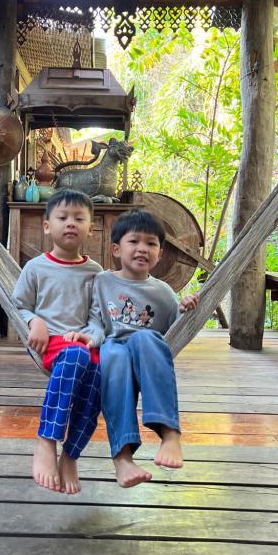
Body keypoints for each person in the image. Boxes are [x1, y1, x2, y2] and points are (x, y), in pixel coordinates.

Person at [90, 209, 199, 488]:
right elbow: (93, 320)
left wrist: (186, 308)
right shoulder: (101, 281)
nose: (142, 249)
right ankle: (123, 459)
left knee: (145, 338)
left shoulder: (163, 292)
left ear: (160, 253)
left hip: (147, 351)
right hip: (112, 345)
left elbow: (175, 331)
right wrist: (89, 337)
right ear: (116, 249)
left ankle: (170, 434)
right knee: (112, 356)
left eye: (151, 243)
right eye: (134, 241)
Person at [13, 189, 103, 495]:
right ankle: (46, 440)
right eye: (62, 217)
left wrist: (90, 335)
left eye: (79, 218)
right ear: (47, 226)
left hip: (82, 345)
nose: (70, 223)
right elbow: (20, 305)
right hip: (49, 341)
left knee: (101, 378)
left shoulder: (96, 273)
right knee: (77, 357)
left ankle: (71, 454)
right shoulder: (36, 268)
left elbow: (98, 315)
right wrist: (34, 321)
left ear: (91, 228)